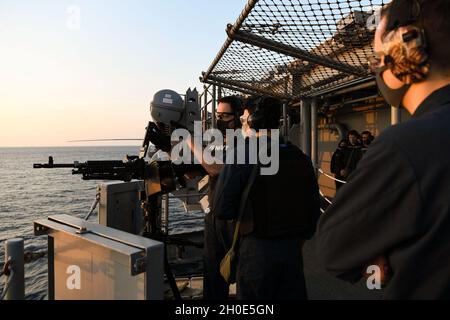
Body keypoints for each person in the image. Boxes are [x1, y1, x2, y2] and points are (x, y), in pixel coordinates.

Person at [316, 0, 450, 299]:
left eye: (377, 58)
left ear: (406, 44)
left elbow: (333, 249)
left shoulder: (405, 144)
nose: (376, 69)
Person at [214, 96, 321, 300]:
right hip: (293, 252)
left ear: (253, 121)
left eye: (244, 120)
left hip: (256, 250)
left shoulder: (243, 154)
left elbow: (221, 208)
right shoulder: (301, 157)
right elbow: (313, 211)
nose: (242, 125)